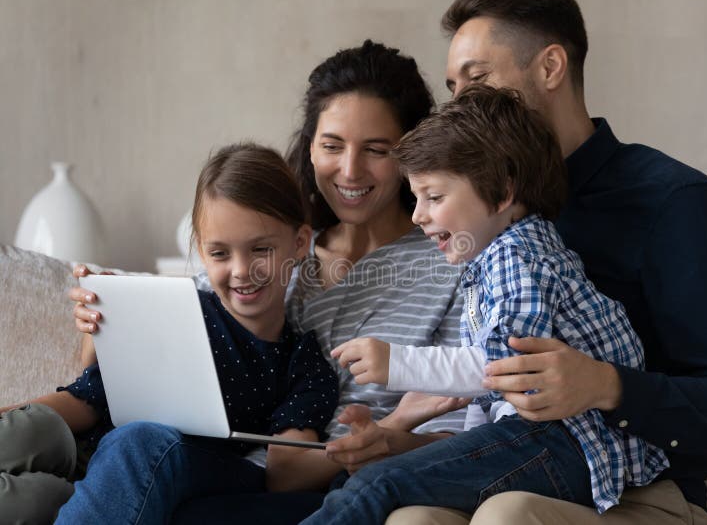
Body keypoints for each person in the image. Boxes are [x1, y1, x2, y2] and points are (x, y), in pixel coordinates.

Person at [387, 0, 707, 524]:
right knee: (411, 519)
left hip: (642, 494)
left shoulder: (675, 202)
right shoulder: (475, 216)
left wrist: (606, 385)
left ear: (550, 67)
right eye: (453, 89)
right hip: (515, 467)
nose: (461, 106)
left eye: (476, 80)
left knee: (508, 516)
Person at [70, 40, 468, 524]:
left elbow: (463, 430)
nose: (349, 170)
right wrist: (108, 320)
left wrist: (391, 437)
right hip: (218, 467)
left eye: (377, 150)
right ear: (310, 147)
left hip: (340, 489)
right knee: (133, 450)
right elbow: (185, 335)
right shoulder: (274, 244)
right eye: (331, 146)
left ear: (410, 154)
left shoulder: (449, 266)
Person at [302, 85, 668, 525]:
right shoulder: (491, 262)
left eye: (434, 197)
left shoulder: (519, 256)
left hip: (564, 444)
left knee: (377, 485)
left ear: (502, 193)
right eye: (416, 198)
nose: (418, 215)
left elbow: (501, 367)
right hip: (536, 441)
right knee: (365, 484)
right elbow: (490, 402)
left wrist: (396, 362)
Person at [51, 142, 340, 523]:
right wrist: (100, 324)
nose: (240, 270)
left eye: (260, 249)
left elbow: (286, 466)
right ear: (202, 253)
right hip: (98, 461)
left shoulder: (303, 361)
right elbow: (91, 388)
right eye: (220, 254)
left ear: (300, 243)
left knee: (142, 444)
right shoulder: (178, 312)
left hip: (195, 468)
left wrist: (380, 437)